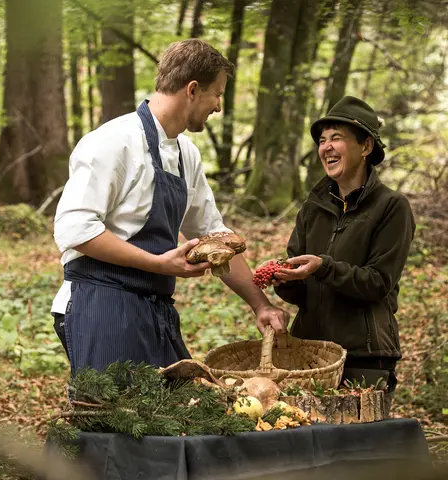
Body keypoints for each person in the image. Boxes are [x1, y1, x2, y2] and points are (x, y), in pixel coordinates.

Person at [50, 39, 289, 375]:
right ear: (192, 89)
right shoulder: (112, 142)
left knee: (178, 416)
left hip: (155, 312)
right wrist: (158, 263)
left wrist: (260, 304)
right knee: (112, 423)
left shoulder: (185, 154)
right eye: (217, 94)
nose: (219, 106)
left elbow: (213, 235)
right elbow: (75, 229)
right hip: (100, 306)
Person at [271, 96, 415, 412]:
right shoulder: (313, 207)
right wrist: (283, 278)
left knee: (359, 454)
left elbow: (378, 282)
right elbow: (301, 287)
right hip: (309, 357)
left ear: (365, 147)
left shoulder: (391, 207)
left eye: (337, 138)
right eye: (322, 140)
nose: (327, 147)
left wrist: (322, 267)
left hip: (364, 356)